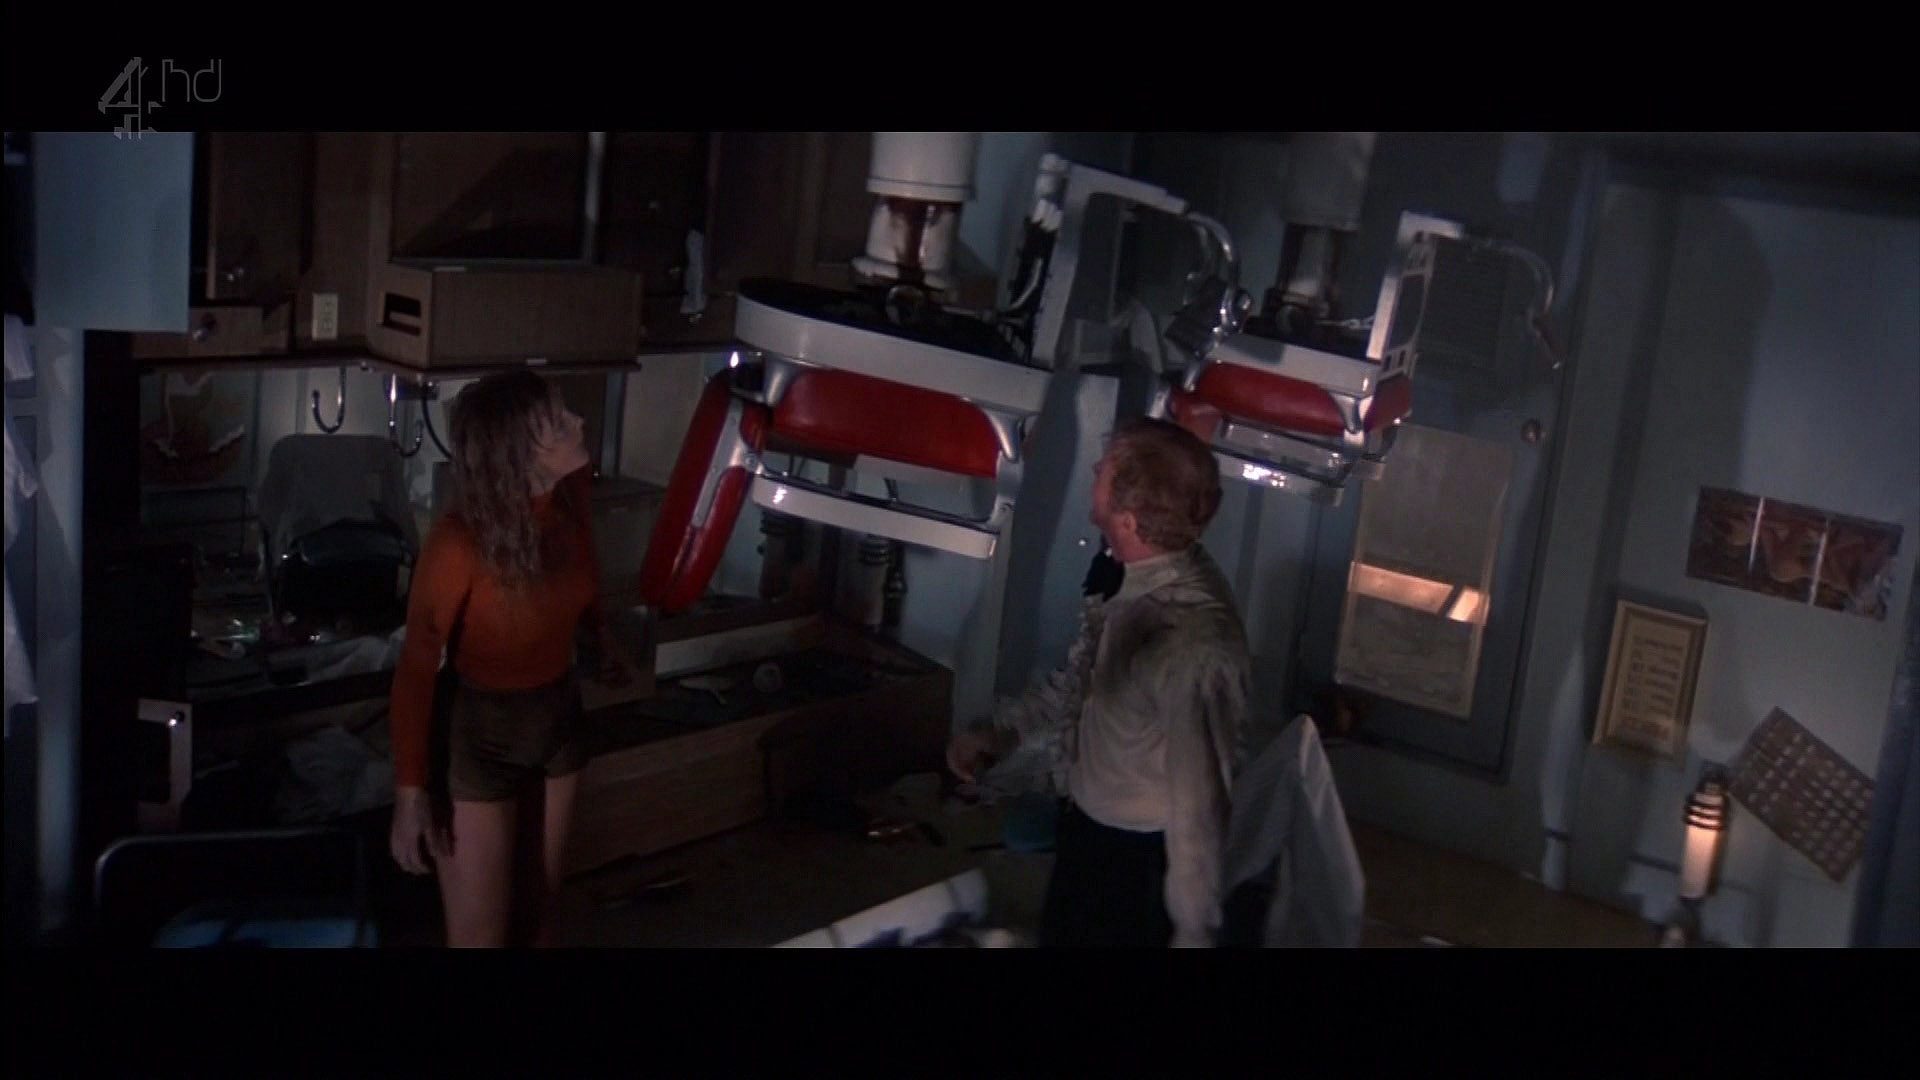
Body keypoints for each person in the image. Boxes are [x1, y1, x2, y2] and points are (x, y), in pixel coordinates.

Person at [948, 417, 1251, 947]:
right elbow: (1083, 683)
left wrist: (1194, 931)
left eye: (1103, 471)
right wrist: (1001, 734)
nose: (1093, 470)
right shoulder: (1125, 571)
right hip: (1088, 829)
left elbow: (1201, 805)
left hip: (1137, 863)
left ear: (1128, 521)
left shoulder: (1189, 644)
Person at [387, 370, 634, 947]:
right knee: (481, 936)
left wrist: (602, 639)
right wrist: (409, 792)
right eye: (558, 423)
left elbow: (585, 573)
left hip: (558, 716)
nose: (579, 422)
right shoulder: (458, 543)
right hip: (482, 736)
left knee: (540, 916)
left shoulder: (569, 495)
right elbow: (417, 669)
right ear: (520, 454)